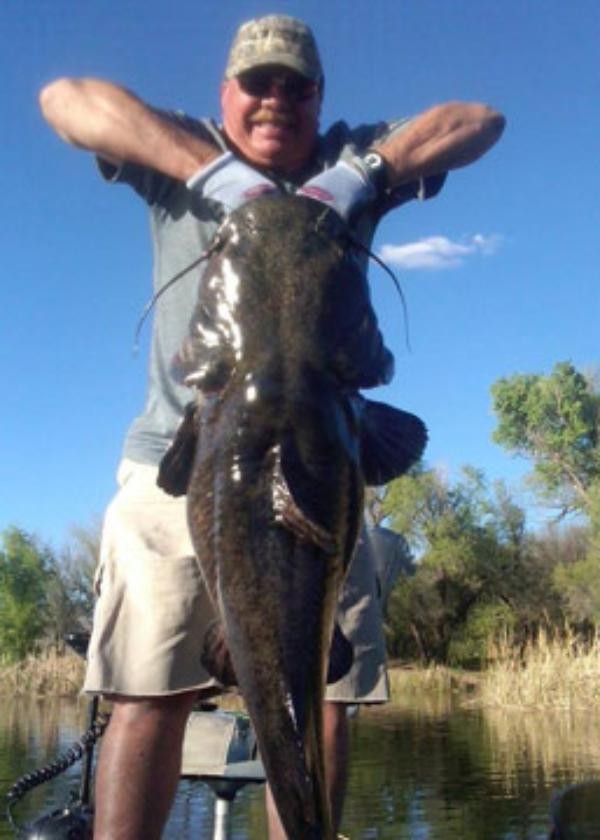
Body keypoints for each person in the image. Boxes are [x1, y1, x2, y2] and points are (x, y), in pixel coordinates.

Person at [39, 14, 505, 839]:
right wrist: (212, 171)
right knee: (147, 693)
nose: (275, 99)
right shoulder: (179, 148)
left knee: (322, 704)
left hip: (326, 469)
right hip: (174, 464)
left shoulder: (349, 157)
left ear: (320, 98)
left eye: (296, 85)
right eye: (258, 83)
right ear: (227, 93)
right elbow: (64, 98)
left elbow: (479, 121)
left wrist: (361, 175)